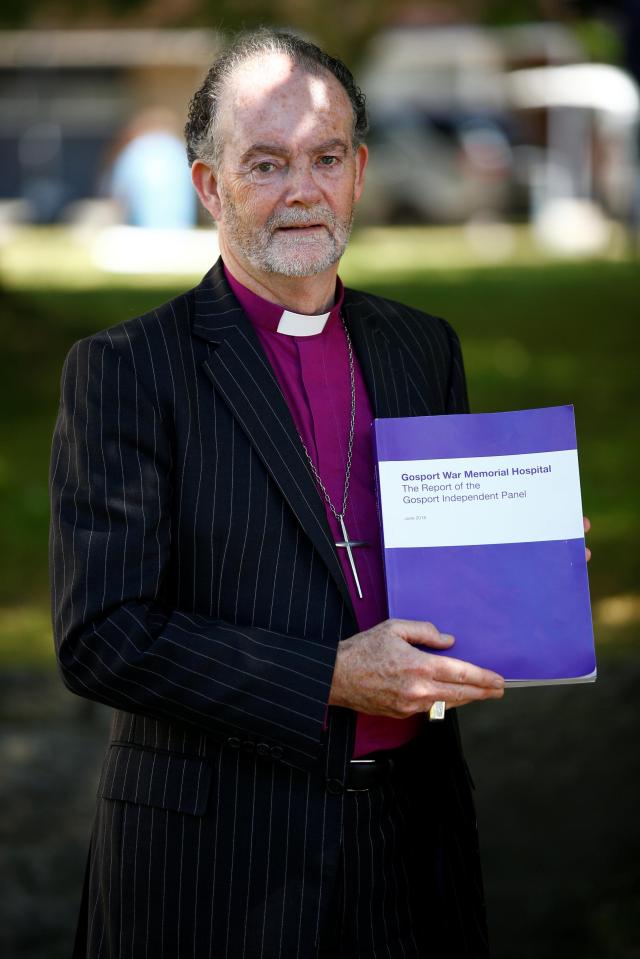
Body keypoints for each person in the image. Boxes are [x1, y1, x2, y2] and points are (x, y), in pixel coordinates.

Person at [50, 30, 507, 959]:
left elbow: (453, 574)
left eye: (325, 157)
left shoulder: (424, 347)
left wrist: (520, 569)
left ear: (360, 170)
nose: (303, 189)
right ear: (210, 186)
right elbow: (102, 636)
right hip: (215, 860)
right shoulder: (129, 370)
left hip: (412, 849)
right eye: (266, 163)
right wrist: (330, 675)